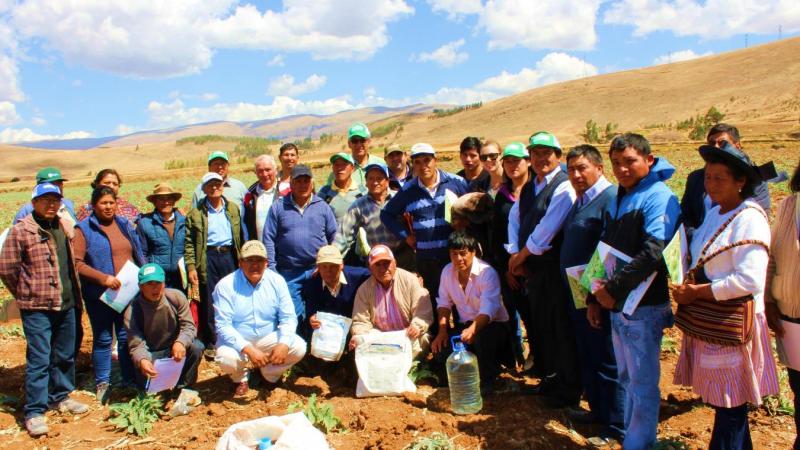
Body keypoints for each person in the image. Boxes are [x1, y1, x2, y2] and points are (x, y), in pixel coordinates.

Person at [672, 142, 779, 450]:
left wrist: (698, 292)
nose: (711, 184)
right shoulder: (715, 213)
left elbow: (749, 279)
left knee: (730, 407)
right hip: (714, 323)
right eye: (708, 177)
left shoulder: (750, 217)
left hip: (732, 325)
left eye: (720, 177)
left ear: (740, 181)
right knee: (727, 406)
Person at [593, 133, 680, 450]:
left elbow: (653, 252)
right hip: (620, 305)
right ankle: (633, 437)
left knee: (642, 382)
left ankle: (640, 443)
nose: (622, 169)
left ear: (649, 160)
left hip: (644, 307)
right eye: (616, 163)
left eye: (630, 161)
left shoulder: (659, 196)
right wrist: (596, 295)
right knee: (628, 378)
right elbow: (608, 248)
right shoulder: (622, 194)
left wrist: (612, 290)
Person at [0, 183, 88, 437]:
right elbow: (7, 269)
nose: (51, 204)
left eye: (55, 200)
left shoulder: (62, 225)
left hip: (67, 302)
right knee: (39, 359)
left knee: (64, 354)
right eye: (45, 200)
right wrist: (26, 293)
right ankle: (35, 411)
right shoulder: (22, 231)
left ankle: (60, 396)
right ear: (34, 202)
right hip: (38, 307)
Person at [506, 131, 580, 408]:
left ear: (558, 157)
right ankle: (551, 379)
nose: (540, 159)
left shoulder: (564, 186)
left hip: (553, 269)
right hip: (532, 270)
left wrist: (521, 256)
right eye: (535, 154)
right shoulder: (529, 187)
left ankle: (569, 388)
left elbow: (548, 228)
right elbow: (516, 218)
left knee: (561, 327)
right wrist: (514, 252)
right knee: (542, 327)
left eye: (546, 153)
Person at [560, 145, 623, 445]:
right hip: (579, 291)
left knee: (606, 358)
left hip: (596, 295)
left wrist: (595, 299)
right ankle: (597, 410)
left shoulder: (609, 199)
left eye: (582, 167)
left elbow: (607, 252)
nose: (576, 174)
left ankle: (616, 427)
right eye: (571, 169)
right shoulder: (582, 199)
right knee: (589, 353)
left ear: (599, 168)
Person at [74, 186, 146, 402]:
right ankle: (103, 382)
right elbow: (77, 264)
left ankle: (128, 380)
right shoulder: (84, 229)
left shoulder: (123, 224)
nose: (108, 207)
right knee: (104, 338)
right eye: (103, 203)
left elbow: (136, 251)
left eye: (111, 202)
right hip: (100, 295)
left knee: (125, 337)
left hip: (126, 292)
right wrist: (103, 278)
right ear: (94, 205)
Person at [381, 143, 468, 311]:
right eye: (418, 162)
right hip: (426, 260)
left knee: (461, 303)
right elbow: (386, 214)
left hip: (455, 256)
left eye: (427, 160)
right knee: (434, 304)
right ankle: (437, 335)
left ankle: (459, 335)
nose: (423, 166)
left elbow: (472, 208)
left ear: (435, 160)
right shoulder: (408, 190)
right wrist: (406, 236)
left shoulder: (457, 182)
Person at [214, 241, 307, 397]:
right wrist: (249, 350)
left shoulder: (277, 281)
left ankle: (269, 374)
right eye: (249, 260)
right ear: (240, 263)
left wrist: (283, 344)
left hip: (267, 337)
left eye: (259, 260)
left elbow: (289, 317)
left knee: (298, 347)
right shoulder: (225, 285)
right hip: (240, 340)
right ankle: (240, 377)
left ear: (266, 263)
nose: (254, 265)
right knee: (225, 357)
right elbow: (223, 325)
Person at [430, 232, 511, 394]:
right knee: (441, 352)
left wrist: (473, 329)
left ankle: (488, 380)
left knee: (482, 338)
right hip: (466, 326)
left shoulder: (487, 273)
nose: (459, 259)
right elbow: (444, 304)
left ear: (473, 252)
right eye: (454, 254)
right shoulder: (447, 272)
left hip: (492, 326)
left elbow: (488, 310)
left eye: (463, 253)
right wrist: (442, 331)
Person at [263, 165, 337, 323]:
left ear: (312, 183)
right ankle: (298, 343)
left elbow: (334, 237)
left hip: (317, 270)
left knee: (318, 312)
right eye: (298, 181)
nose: (303, 185)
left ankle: (315, 344)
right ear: (291, 183)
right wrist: (272, 268)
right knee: (293, 314)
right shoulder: (278, 207)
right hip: (289, 271)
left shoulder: (322, 206)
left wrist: (328, 263)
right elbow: (268, 238)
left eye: (306, 181)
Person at [185, 172, 244, 349]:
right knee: (210, 300)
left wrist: (242, 258)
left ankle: (235, 337)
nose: (215, 187)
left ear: (223, 185)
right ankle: (213, 341)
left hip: (229, 256)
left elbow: (240, 235)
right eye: (210, 185)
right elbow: (189, 243)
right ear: (204, 189)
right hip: (207, 258)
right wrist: (190, 266)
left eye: (218, 183)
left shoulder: (232, 208)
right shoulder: (196, 214)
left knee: (233, 295)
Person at [681, 123, 770, 237]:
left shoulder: (755, 181)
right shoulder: (696, 178)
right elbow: (685, 215)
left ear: (737, 146)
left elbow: (756, 221)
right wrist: (696, 238)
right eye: (712, 143)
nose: (716, 147)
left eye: (722, 143)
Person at [124, 264, 204, 391]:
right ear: (140, 286)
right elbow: (136, 344)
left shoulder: (176, 297)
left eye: (158, 283)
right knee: (149, 392)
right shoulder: (133, 310)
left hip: (174, 350)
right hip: (151, 353)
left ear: (164, 283)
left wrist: (181, 342)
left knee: (196, 348)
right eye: (149, 284)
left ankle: (184, 388)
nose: (154, 288)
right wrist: (143, 360)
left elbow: (189, 326)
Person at [765, 159, 800, 450]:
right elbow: (773, 255)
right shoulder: (789, 206)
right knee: (799, 387)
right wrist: (768, 300)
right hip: (792, 316)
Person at [489, 142, 532, 367]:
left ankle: (542, 360)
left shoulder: (537, 190)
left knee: (539, 317)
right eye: (508, 161)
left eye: (517, 160)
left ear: (528, 162)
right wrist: (508, 268)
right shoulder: (502, 196)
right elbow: (497, 236)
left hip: (535, 267)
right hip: (510, 269)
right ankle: (519, 357)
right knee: (515, 312)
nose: (513, 165)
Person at [350, 245, 433, 358]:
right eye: (377, 265)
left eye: (386, 263)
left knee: (423, 339)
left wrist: (416, 327)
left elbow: (422, 311)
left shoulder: (410, 280)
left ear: (395, 263)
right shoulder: (364, 290)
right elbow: (360, 321)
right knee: (362, 342)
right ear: (370, 268)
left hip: (407, 333)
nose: (383, 268)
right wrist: (360, 336)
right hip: (381, 336)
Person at [335, 163, 415, 270]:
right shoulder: (359, 205)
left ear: (387, 181)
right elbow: (343, 234)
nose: (375, 182)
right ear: (366, 183)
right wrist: (332, 257)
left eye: (379, 178)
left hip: (404, 257)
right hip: (379, 261)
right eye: (371, 179)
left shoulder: (399, 198)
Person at [302, 245, 371, 340]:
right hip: (327, 335)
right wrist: (312, 319)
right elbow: (311, 310)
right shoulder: (313, 282)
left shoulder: (357, 276)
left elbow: (378, 271)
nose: (328, 271)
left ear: (342, 265)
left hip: (353, 330)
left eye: (333, 266)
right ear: (318, 267)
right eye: (324, 266)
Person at [137, 183, 186, 291]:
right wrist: (150, 277)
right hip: (157, 279)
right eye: (161, 199)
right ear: (154, 202)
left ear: (174, 201)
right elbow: (142, 253)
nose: (166, 202)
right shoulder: (145, 223)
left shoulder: (185, 221)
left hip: (182, 278)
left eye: (169, 198)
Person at [327, 122, 386, 188]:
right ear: (349, 144)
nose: (359, 144)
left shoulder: (380, 163)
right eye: (354, 141)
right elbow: (329, 193)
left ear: (369, 141)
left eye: (362, 140)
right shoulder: (341, 169)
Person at [318, 152, 367, 224]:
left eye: (344, 164)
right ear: (333, 168)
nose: (339, 168)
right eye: (336, 165)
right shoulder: (324, 192)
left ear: (352, 168)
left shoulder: (363, 191)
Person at [75, 169, 140, 223]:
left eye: (115, 184)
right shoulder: (86, 209)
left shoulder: (127, 206)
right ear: (97, 184)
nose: (111, 186)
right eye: (107, 183)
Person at [243, 155, 280, 242]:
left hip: (282, 248)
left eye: (268, 170)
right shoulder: (250, 194)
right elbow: (247, 223)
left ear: (276, 171)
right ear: (255, 173)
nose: (264, 174)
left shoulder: (285, 191)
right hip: (259, 248)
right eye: (260, 171)